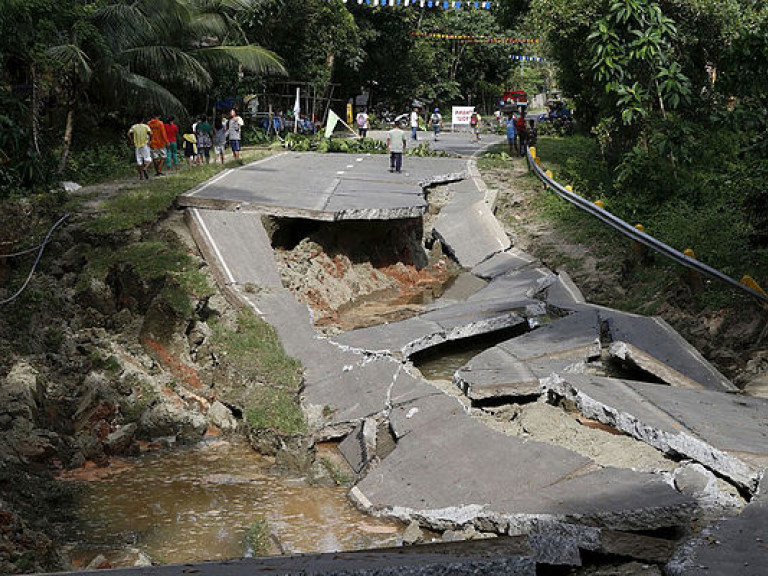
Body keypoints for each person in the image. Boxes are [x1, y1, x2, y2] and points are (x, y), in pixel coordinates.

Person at [127, 116, 152, 180]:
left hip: (137, 146)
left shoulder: (134, 126)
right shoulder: (145, 126)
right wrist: (149, 140)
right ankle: (145, 168)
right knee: (148, 159)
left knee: (139, 161)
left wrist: (132, 140)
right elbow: (151, 133)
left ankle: (141, 176)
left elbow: (128, 134)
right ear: (143, 120)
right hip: (144, 145)